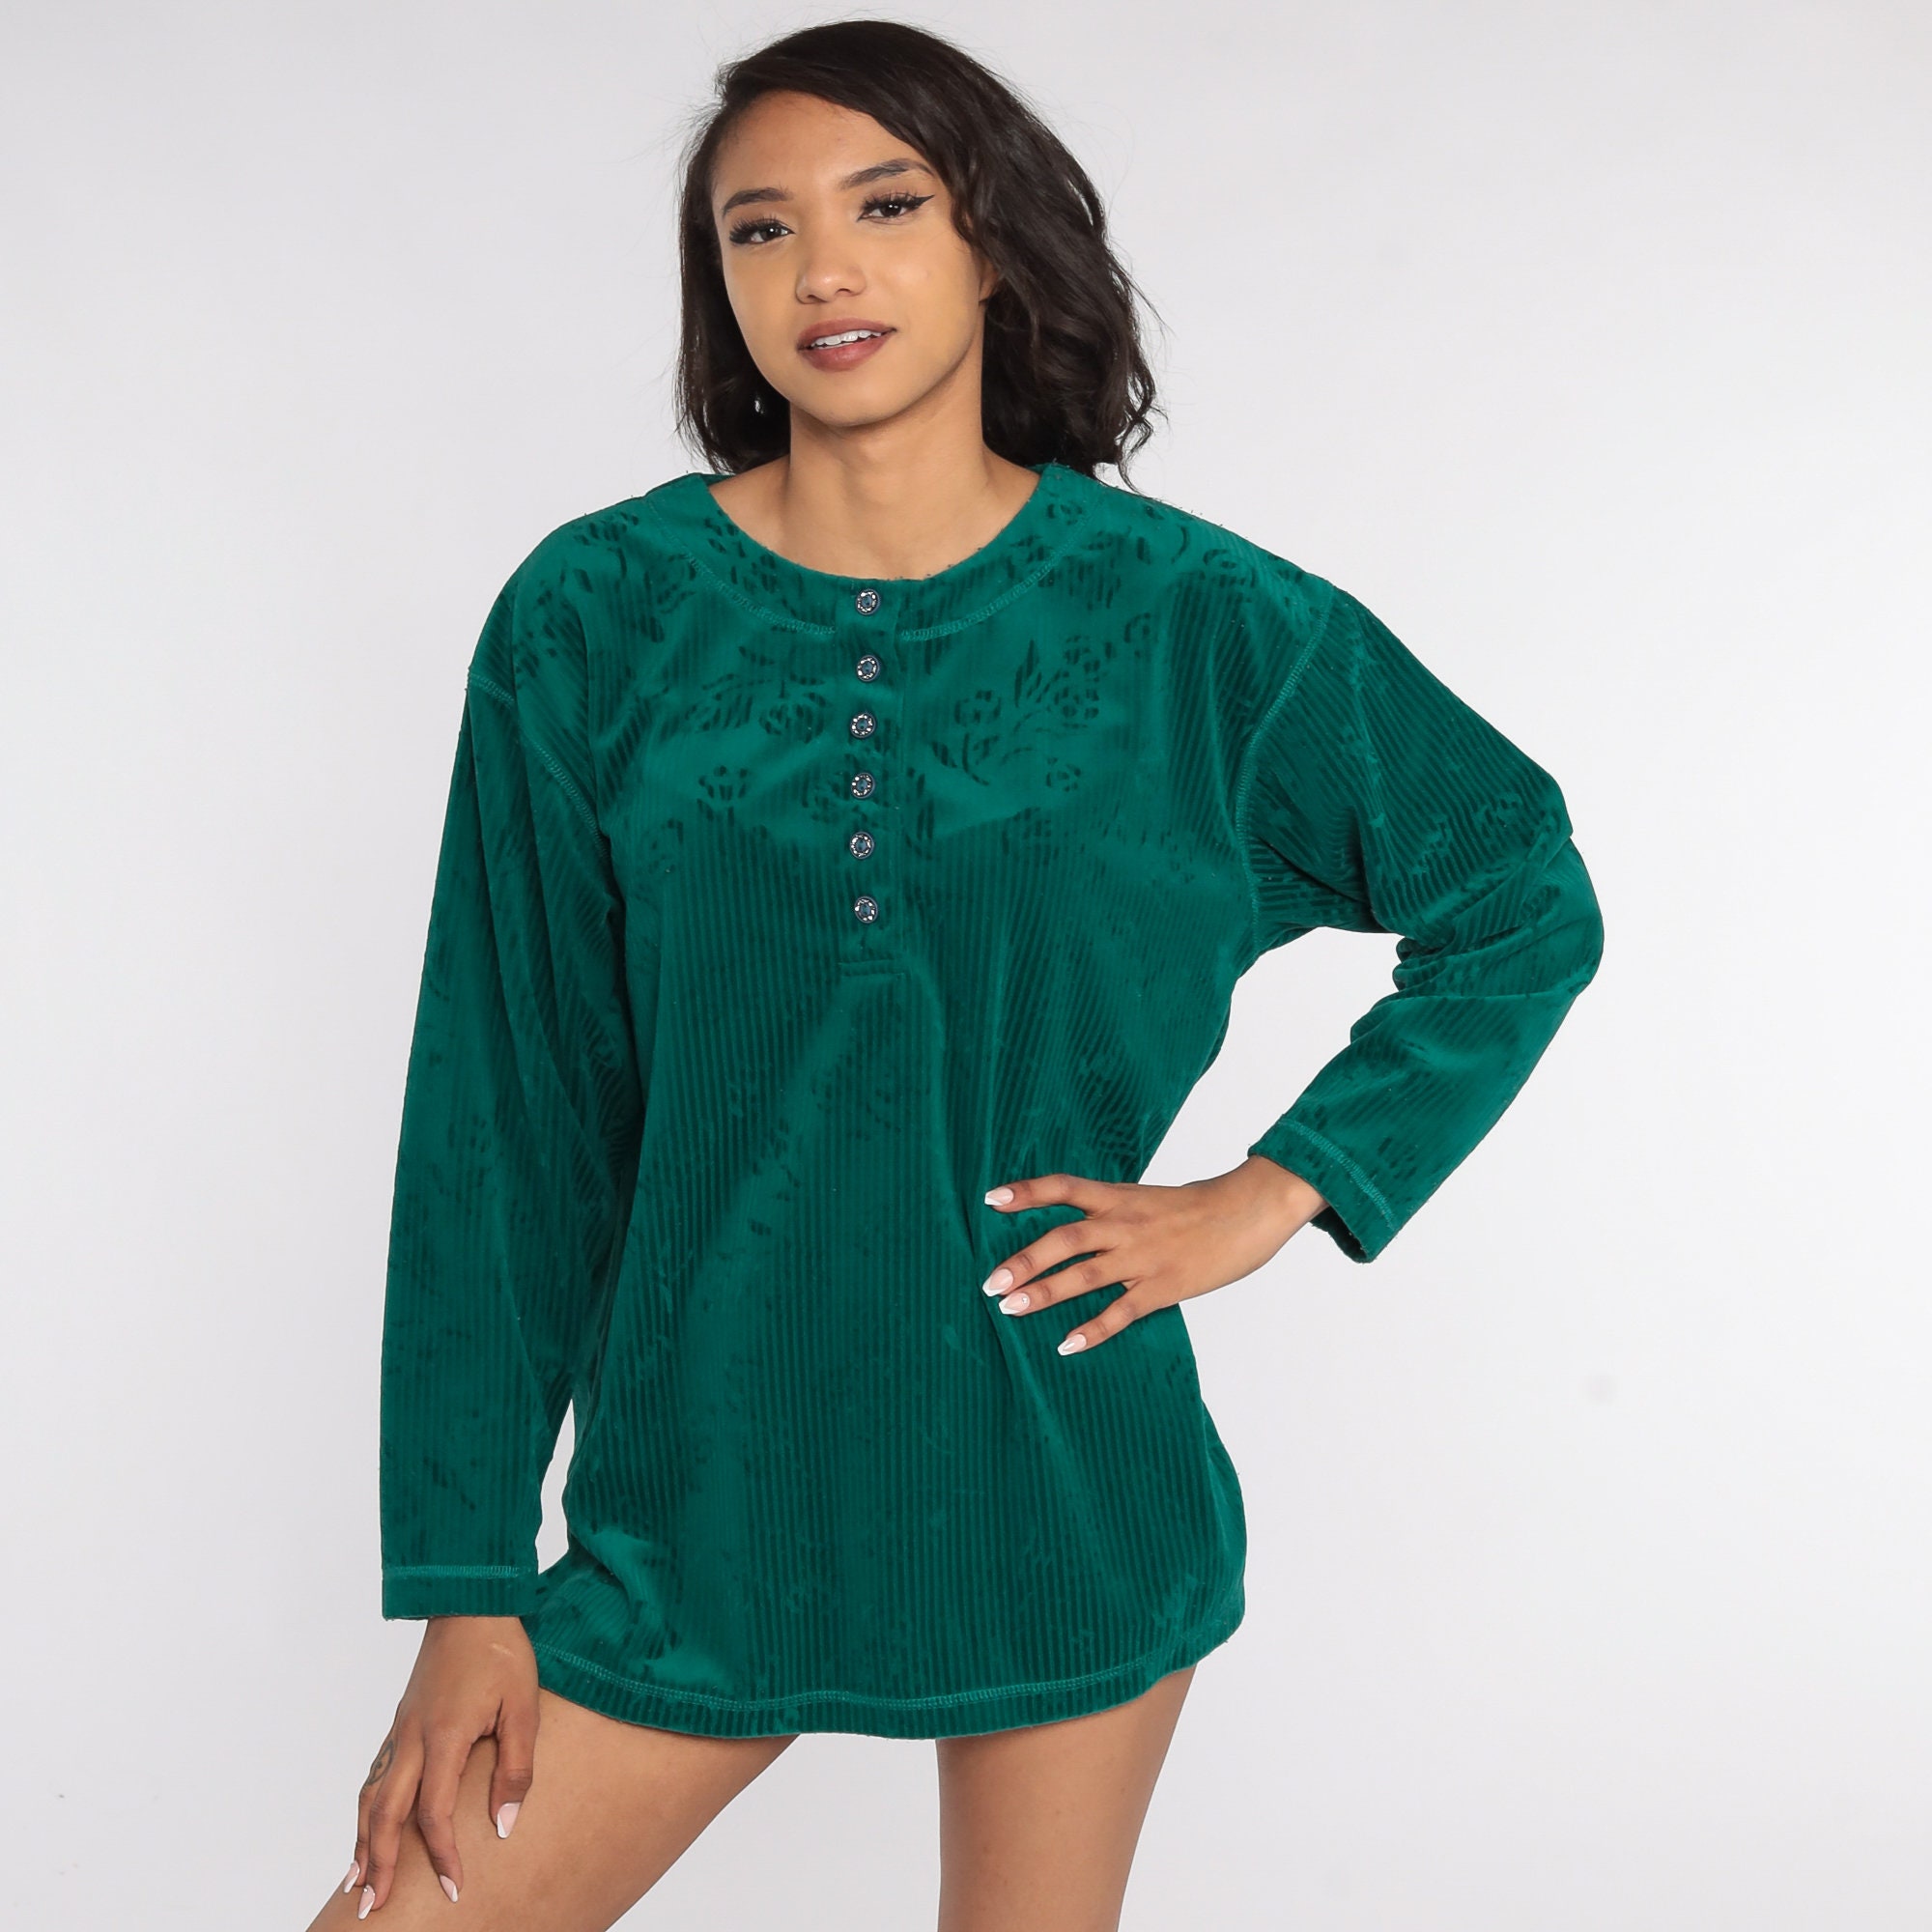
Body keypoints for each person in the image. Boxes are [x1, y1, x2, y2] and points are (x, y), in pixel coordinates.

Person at [309, 19, 1605, 1930]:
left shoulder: (1194, 624)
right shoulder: (591, 619)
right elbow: (504, 1123)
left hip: (1057, 1482)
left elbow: (1515, 885)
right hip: (694, 1510)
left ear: (993, 241)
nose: (822, 269)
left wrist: (1271, 1195)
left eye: (887, 206)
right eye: (759, 230)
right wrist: (464, 1586)